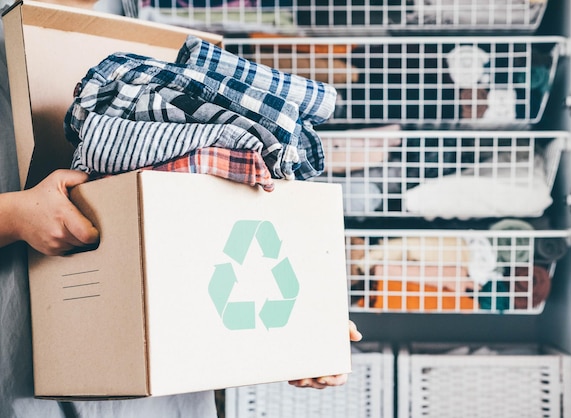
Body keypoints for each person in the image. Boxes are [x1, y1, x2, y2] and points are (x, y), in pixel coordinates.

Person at [0, 1, 362, 416]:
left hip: (163, 387)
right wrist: (14, 215)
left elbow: (210, 218)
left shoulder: (127, 30)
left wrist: (299, 321)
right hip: (22, 371)